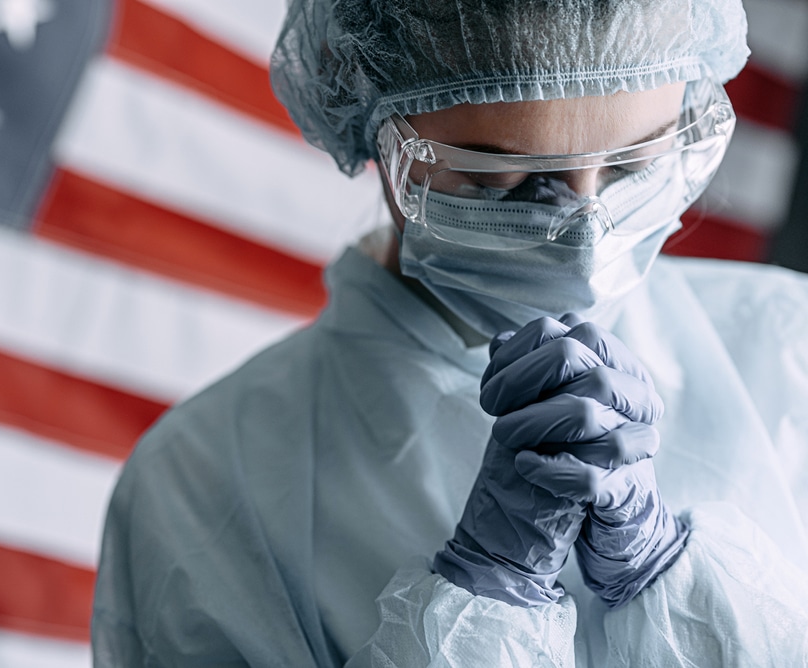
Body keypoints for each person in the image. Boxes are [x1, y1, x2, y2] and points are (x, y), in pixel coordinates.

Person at [91, 0, 808, 665]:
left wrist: (672, 580)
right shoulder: (205, 485)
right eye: (502, 181)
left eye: (633, 164)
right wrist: (480, 604)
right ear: (376, 127)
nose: (587, 237)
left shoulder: (786, 348)